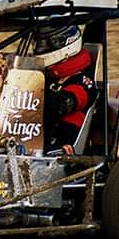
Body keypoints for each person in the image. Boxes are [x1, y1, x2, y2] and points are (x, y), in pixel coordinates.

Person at [33, 25, 97, 154]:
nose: (41, 48)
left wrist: (31, 98)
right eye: (39, 43)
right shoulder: (47, 76)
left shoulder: (83, 82)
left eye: (46, 43)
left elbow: (62, 104)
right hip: (33, 138)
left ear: (68, 44)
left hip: (60, 147)